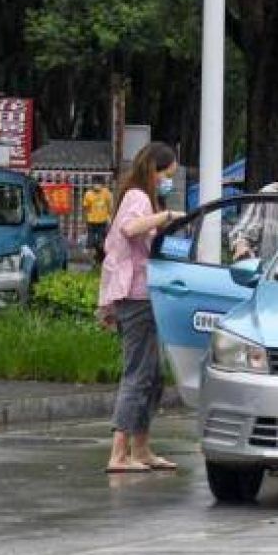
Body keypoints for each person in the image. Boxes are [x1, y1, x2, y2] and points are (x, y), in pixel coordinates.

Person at [98, 142, 184, 473]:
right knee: (138, 374)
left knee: (153, 375)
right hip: (135, 297)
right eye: (166, 174)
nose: (168, 182)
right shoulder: (138, 197)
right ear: (153, 170)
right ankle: (119, 453)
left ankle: (141, 448)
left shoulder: (139, 197)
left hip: (143, 294)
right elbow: (130, 229)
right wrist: (167, 216)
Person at [83, 180, 114, 263]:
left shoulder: (106, 193)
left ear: (102, 185)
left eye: (99, 184)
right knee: (91, 235)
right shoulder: (88, 194)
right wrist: (87, 216)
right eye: (96, 184)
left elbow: (109, 205)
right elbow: (86, 207)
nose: (97, 186)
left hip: (102, 220)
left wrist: (109, 216)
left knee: (101, 237)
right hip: (91, 219)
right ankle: (89, 249)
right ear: (93, 185)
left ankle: (99, 253)